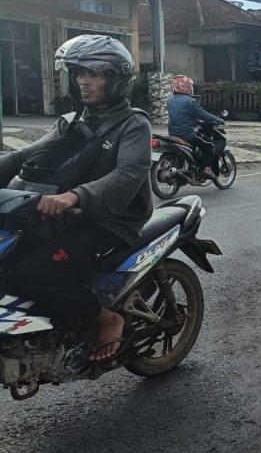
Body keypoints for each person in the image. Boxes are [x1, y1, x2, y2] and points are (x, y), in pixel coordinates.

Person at [0, 35, 152, 362]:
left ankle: (106, 318)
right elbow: (23, 156)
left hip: (110, 220)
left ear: (117, 80)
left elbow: (127, 175)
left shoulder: (133, 124)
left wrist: (74, 197)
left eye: (94, 74)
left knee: (34, 273)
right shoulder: (71, 122)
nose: (84, 81)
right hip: (65, 215)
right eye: (79, 73)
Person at [167, 75, 221, 178]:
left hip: (173, 134)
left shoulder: (170, 101)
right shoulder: (190, 101)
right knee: (209, 144)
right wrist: (216, 119)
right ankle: (208, 170)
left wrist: (193, 120)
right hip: (187, 134)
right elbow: (203, 115)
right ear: (184, 86)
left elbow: (181, 114)